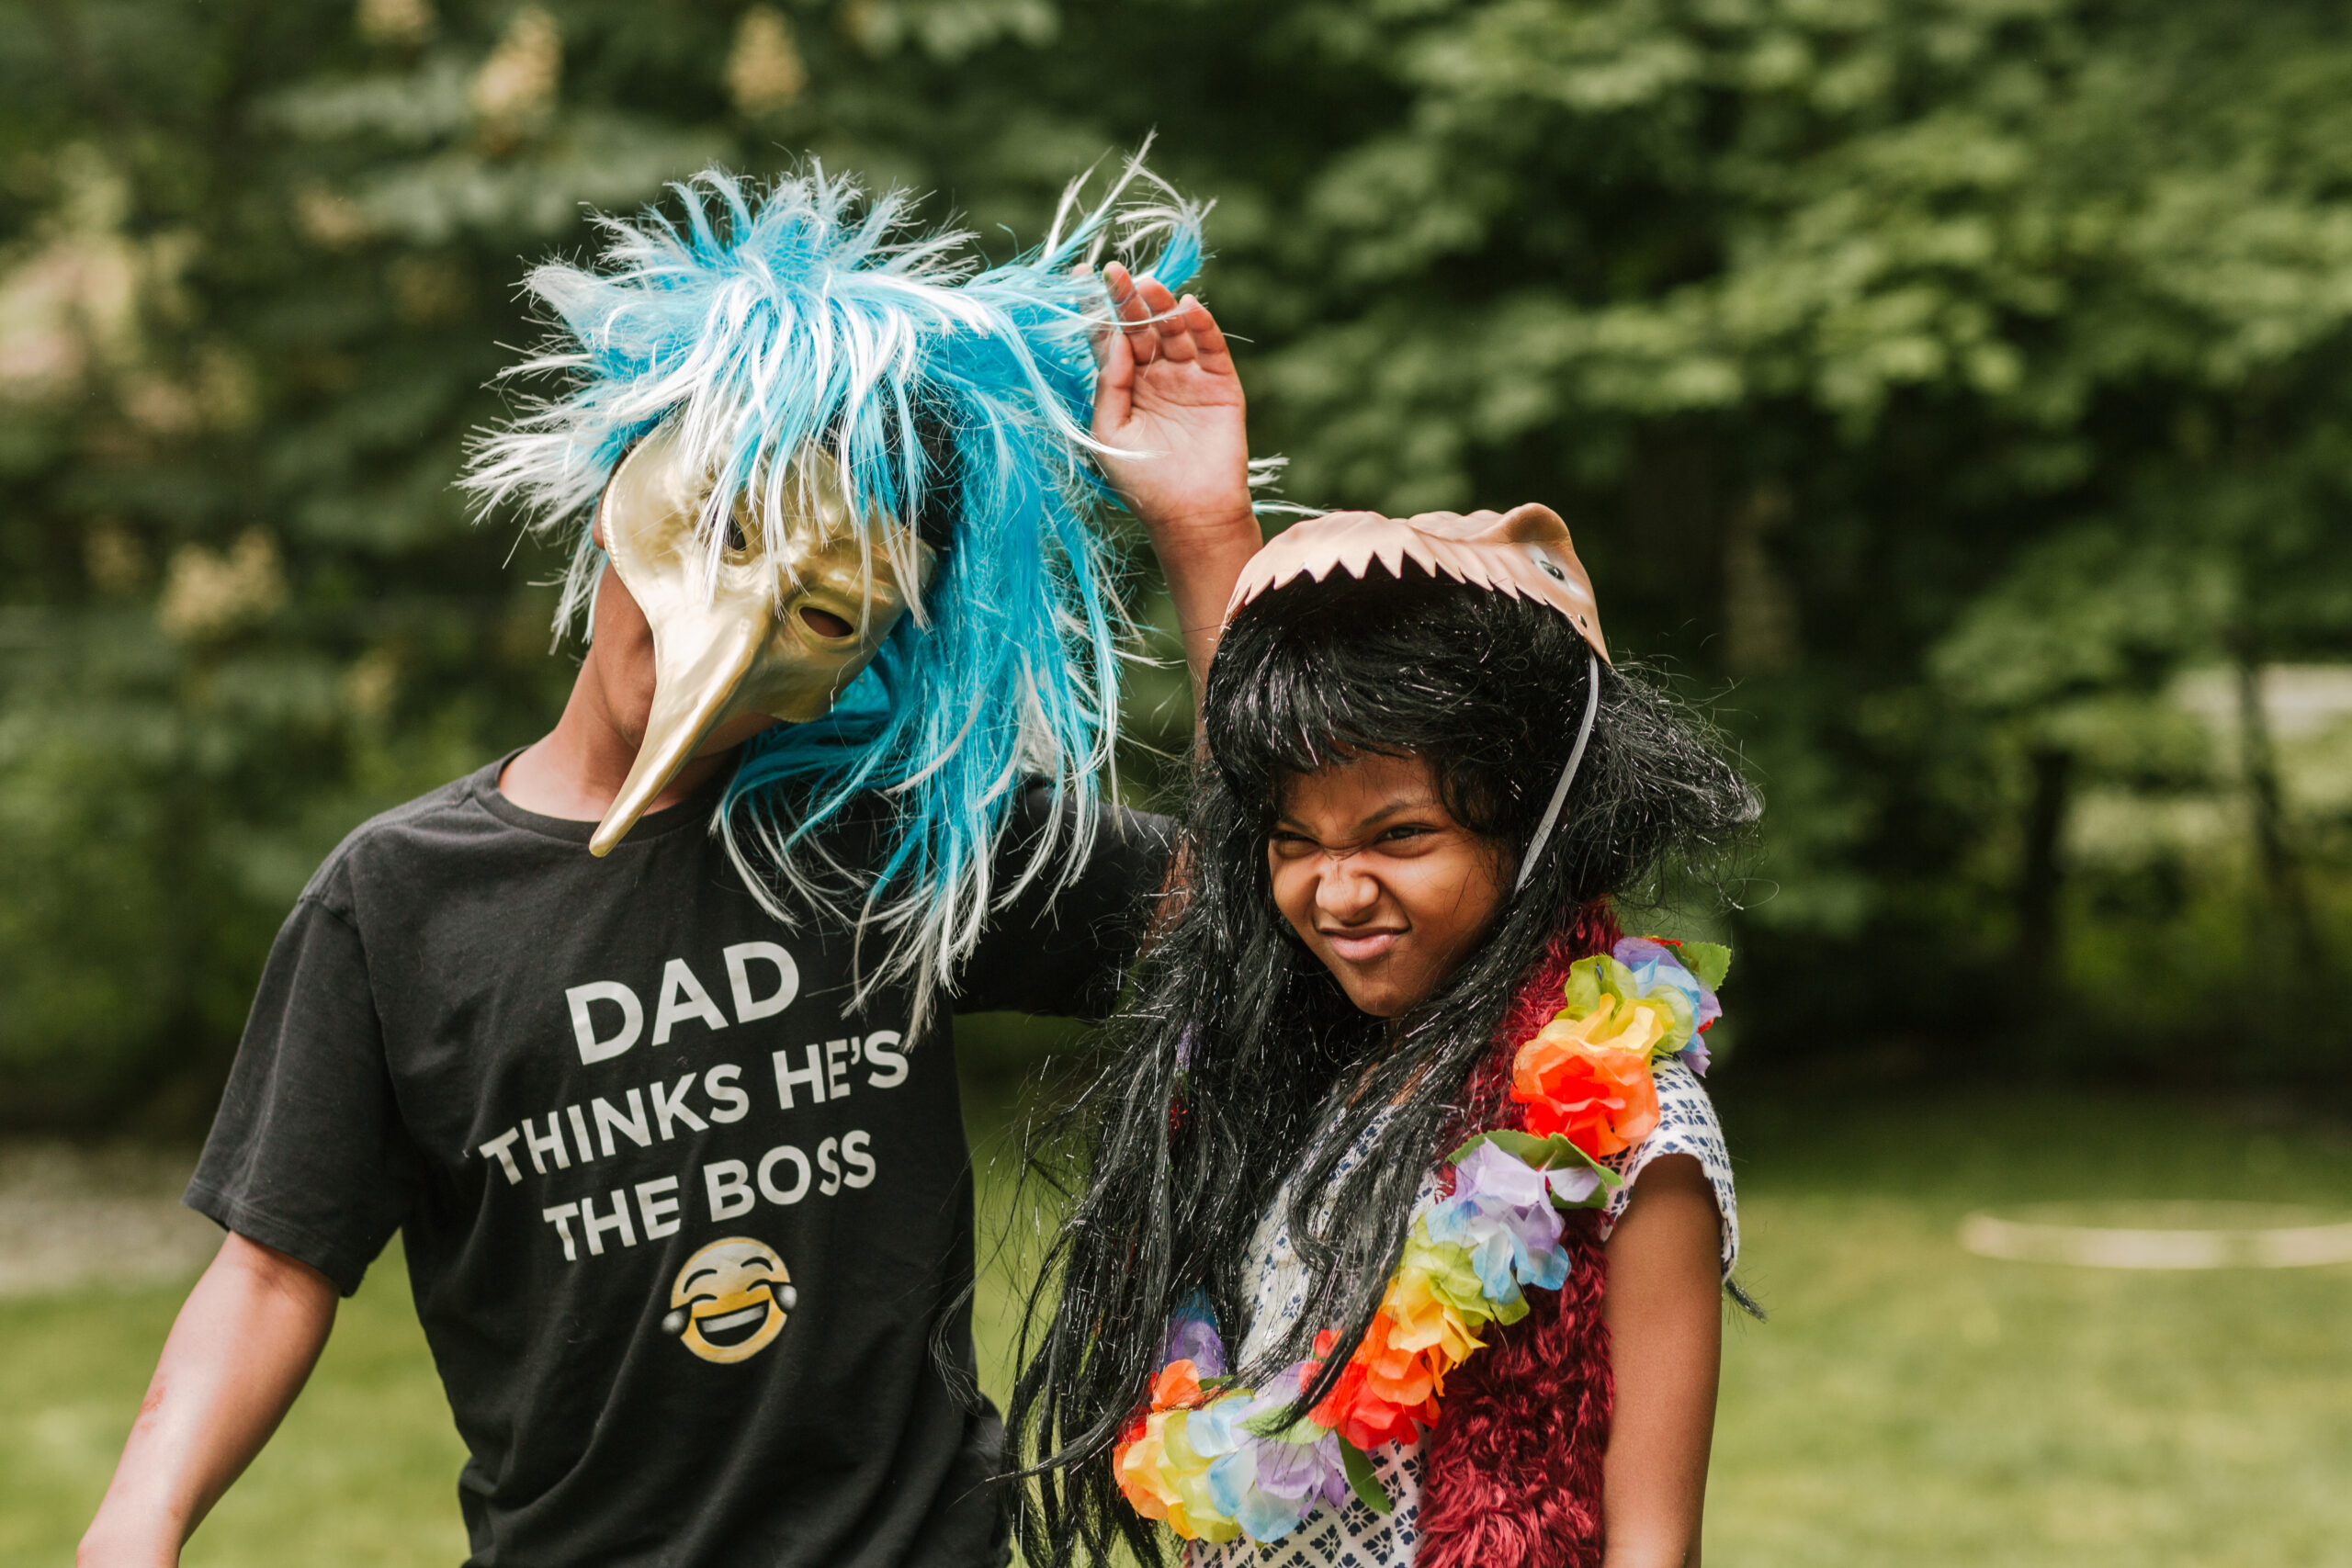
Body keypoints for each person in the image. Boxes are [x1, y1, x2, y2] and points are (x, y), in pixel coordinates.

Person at [78, 157, 1262, 1568]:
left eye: (824, 607)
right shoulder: (398, 899)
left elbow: (1265, 901)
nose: (738, 624)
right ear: (616, 504)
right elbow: (275, 1267)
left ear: (868, 659)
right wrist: (132, 1526)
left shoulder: (881, 837)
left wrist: (1204, 536)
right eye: (721, 530)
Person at [1012, 505, 1760, 1568]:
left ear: (1534, 820)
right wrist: (1204, 519)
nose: (1339, 890)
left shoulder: (1631, 1135)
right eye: (1295, 842)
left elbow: (1653, 1545)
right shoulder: (1295, 1078)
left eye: (1400, 835)